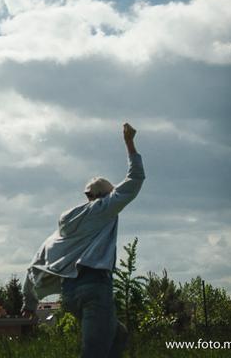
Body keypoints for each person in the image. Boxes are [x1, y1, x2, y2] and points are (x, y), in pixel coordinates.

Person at [21, 123, 145, 358]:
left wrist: (29, 303)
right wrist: (129, 142)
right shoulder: (103, 208)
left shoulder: (61, 232)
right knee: (94, 351)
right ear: (104, 196)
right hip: (94, 288)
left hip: (70, 294)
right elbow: (135, 178)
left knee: (118, 336)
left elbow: (34, 264)